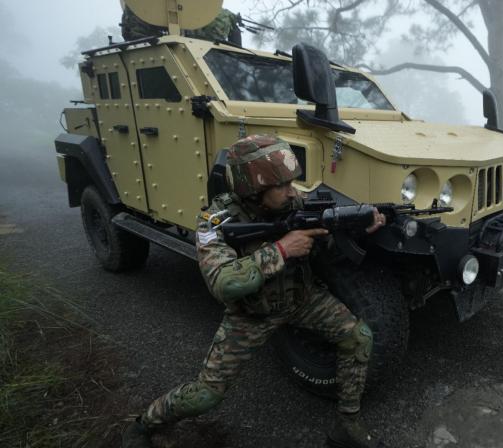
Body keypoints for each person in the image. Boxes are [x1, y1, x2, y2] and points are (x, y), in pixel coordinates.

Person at [123, 135, 387, 448]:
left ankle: (347, 423)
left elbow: (327, 243)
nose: (293, 191)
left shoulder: (294, 203)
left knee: (359, 338)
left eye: (291, 182)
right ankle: (144, 424)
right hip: (251, 315)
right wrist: (282, 250)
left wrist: (359, 227)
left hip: (302, 299)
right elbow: (223, 283)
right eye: (282, 185)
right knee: (206, 395)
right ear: (253, 187)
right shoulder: (215, 222)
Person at [121, 5, 242, 45]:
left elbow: (128, 33)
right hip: (209, 56)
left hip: (144, 45)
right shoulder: (224, 15)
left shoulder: (137, 6)